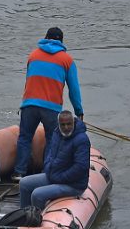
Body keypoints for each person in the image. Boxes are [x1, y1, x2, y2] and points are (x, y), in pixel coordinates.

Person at [12, 26, 84, 182]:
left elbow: (28, 81)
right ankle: (46, 173)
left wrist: (24, 102)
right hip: (51, 108)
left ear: (45, 38)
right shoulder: (67, 60)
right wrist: (79, 111)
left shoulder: (33, 55)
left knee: (25, 137)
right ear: (62, 42)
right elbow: (74, 89)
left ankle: (19, 172)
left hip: (29, 104)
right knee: (52, 139)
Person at [19, 110, 90, 211]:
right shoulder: (57, 134)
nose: (66, 127)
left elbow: (81, 167)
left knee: (37, 194)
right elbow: (51, 155)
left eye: (69, 124)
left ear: (73, 122)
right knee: (24, 183)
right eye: (63, 124)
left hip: (73, 185)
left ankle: (36, 221)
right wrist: (48, 167)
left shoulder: (82, 140)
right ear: (58, 124)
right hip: (55, 176)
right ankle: (24, 216)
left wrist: (60, 177)